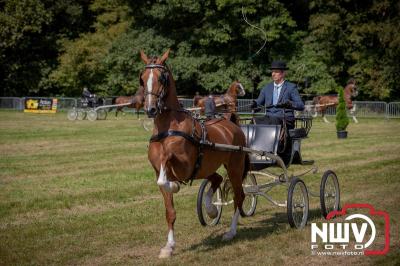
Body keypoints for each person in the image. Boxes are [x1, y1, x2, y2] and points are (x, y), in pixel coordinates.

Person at [251, 60, 304, 129]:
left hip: (285, 119)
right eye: (272, 72)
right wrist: (254, 104)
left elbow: (301, 105)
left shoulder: (291, 87)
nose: (273, 74)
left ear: (283, 73)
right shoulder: (266, 88)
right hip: (269, 118)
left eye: (276, 72)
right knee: (254, 121)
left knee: (273, 120)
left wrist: (290, 103)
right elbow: (258, 102)